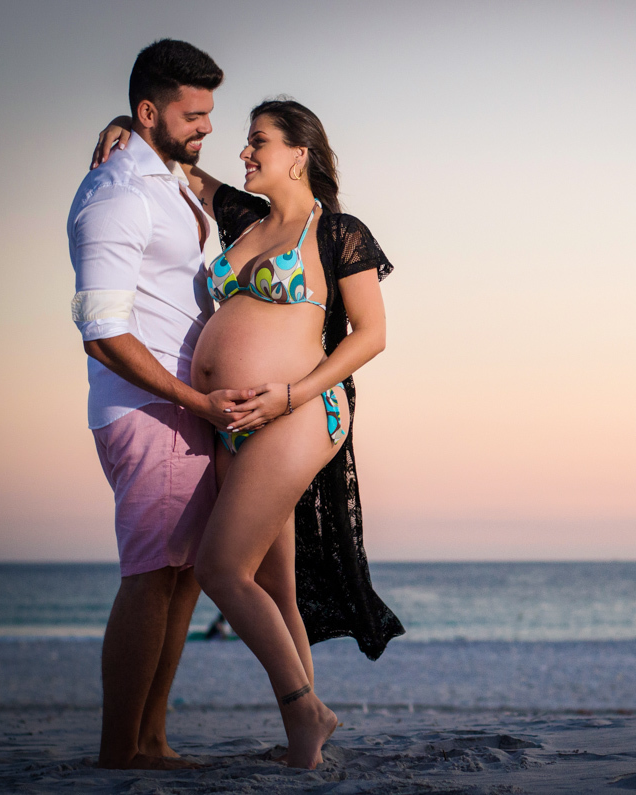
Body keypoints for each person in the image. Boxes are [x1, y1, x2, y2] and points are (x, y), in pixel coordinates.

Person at [93, 98, 404, 769]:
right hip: (234, 422)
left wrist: (290, 393)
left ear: (300, 152)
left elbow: (372, 336)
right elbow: (174, 163)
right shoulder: (242, 219)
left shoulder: (339, 233)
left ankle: (304, 707)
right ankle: (306, 746)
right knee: (274, 584)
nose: (243, 152)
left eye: (258, 141)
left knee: (217, 566)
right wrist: (124, 128)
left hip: (297, 411)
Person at [67, 39, 249, 770]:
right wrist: (194, 398)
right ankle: (122, 749)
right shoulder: (119, 194)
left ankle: (151, 738)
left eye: (211, 112)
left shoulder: (166, 177)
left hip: (183, 410)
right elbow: (103, 331)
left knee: (182, 574)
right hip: (153, 410)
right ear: (151, 111)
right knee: (151, 576)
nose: (208, 127)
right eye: (194, 114)